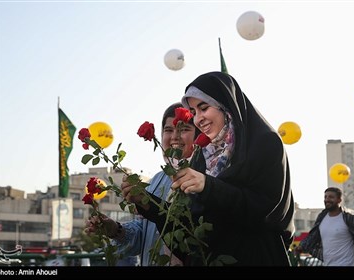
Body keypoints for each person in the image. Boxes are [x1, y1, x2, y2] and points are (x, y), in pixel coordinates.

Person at [126, 71, 295, 266]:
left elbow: (265, 211)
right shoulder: (202, 155)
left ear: (226, 104)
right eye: (194, 112)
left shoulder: (264, 143)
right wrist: (148, 204)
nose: (198, 119)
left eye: (204, 108)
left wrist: (208, 186)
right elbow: (191, 232)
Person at [85, 102, 198, 266]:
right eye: (168, 130)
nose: (175, 136)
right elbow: (143, 238)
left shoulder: (204, 177)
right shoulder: (157, 180)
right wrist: (114, 229)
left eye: (184, 129)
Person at [296, 187, 354, 266]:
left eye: (331, 197)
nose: (327, 199)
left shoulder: (350, 219)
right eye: (325, 197)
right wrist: (301, 247)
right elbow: (312, 237)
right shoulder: (321, 218)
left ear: (339, 200)